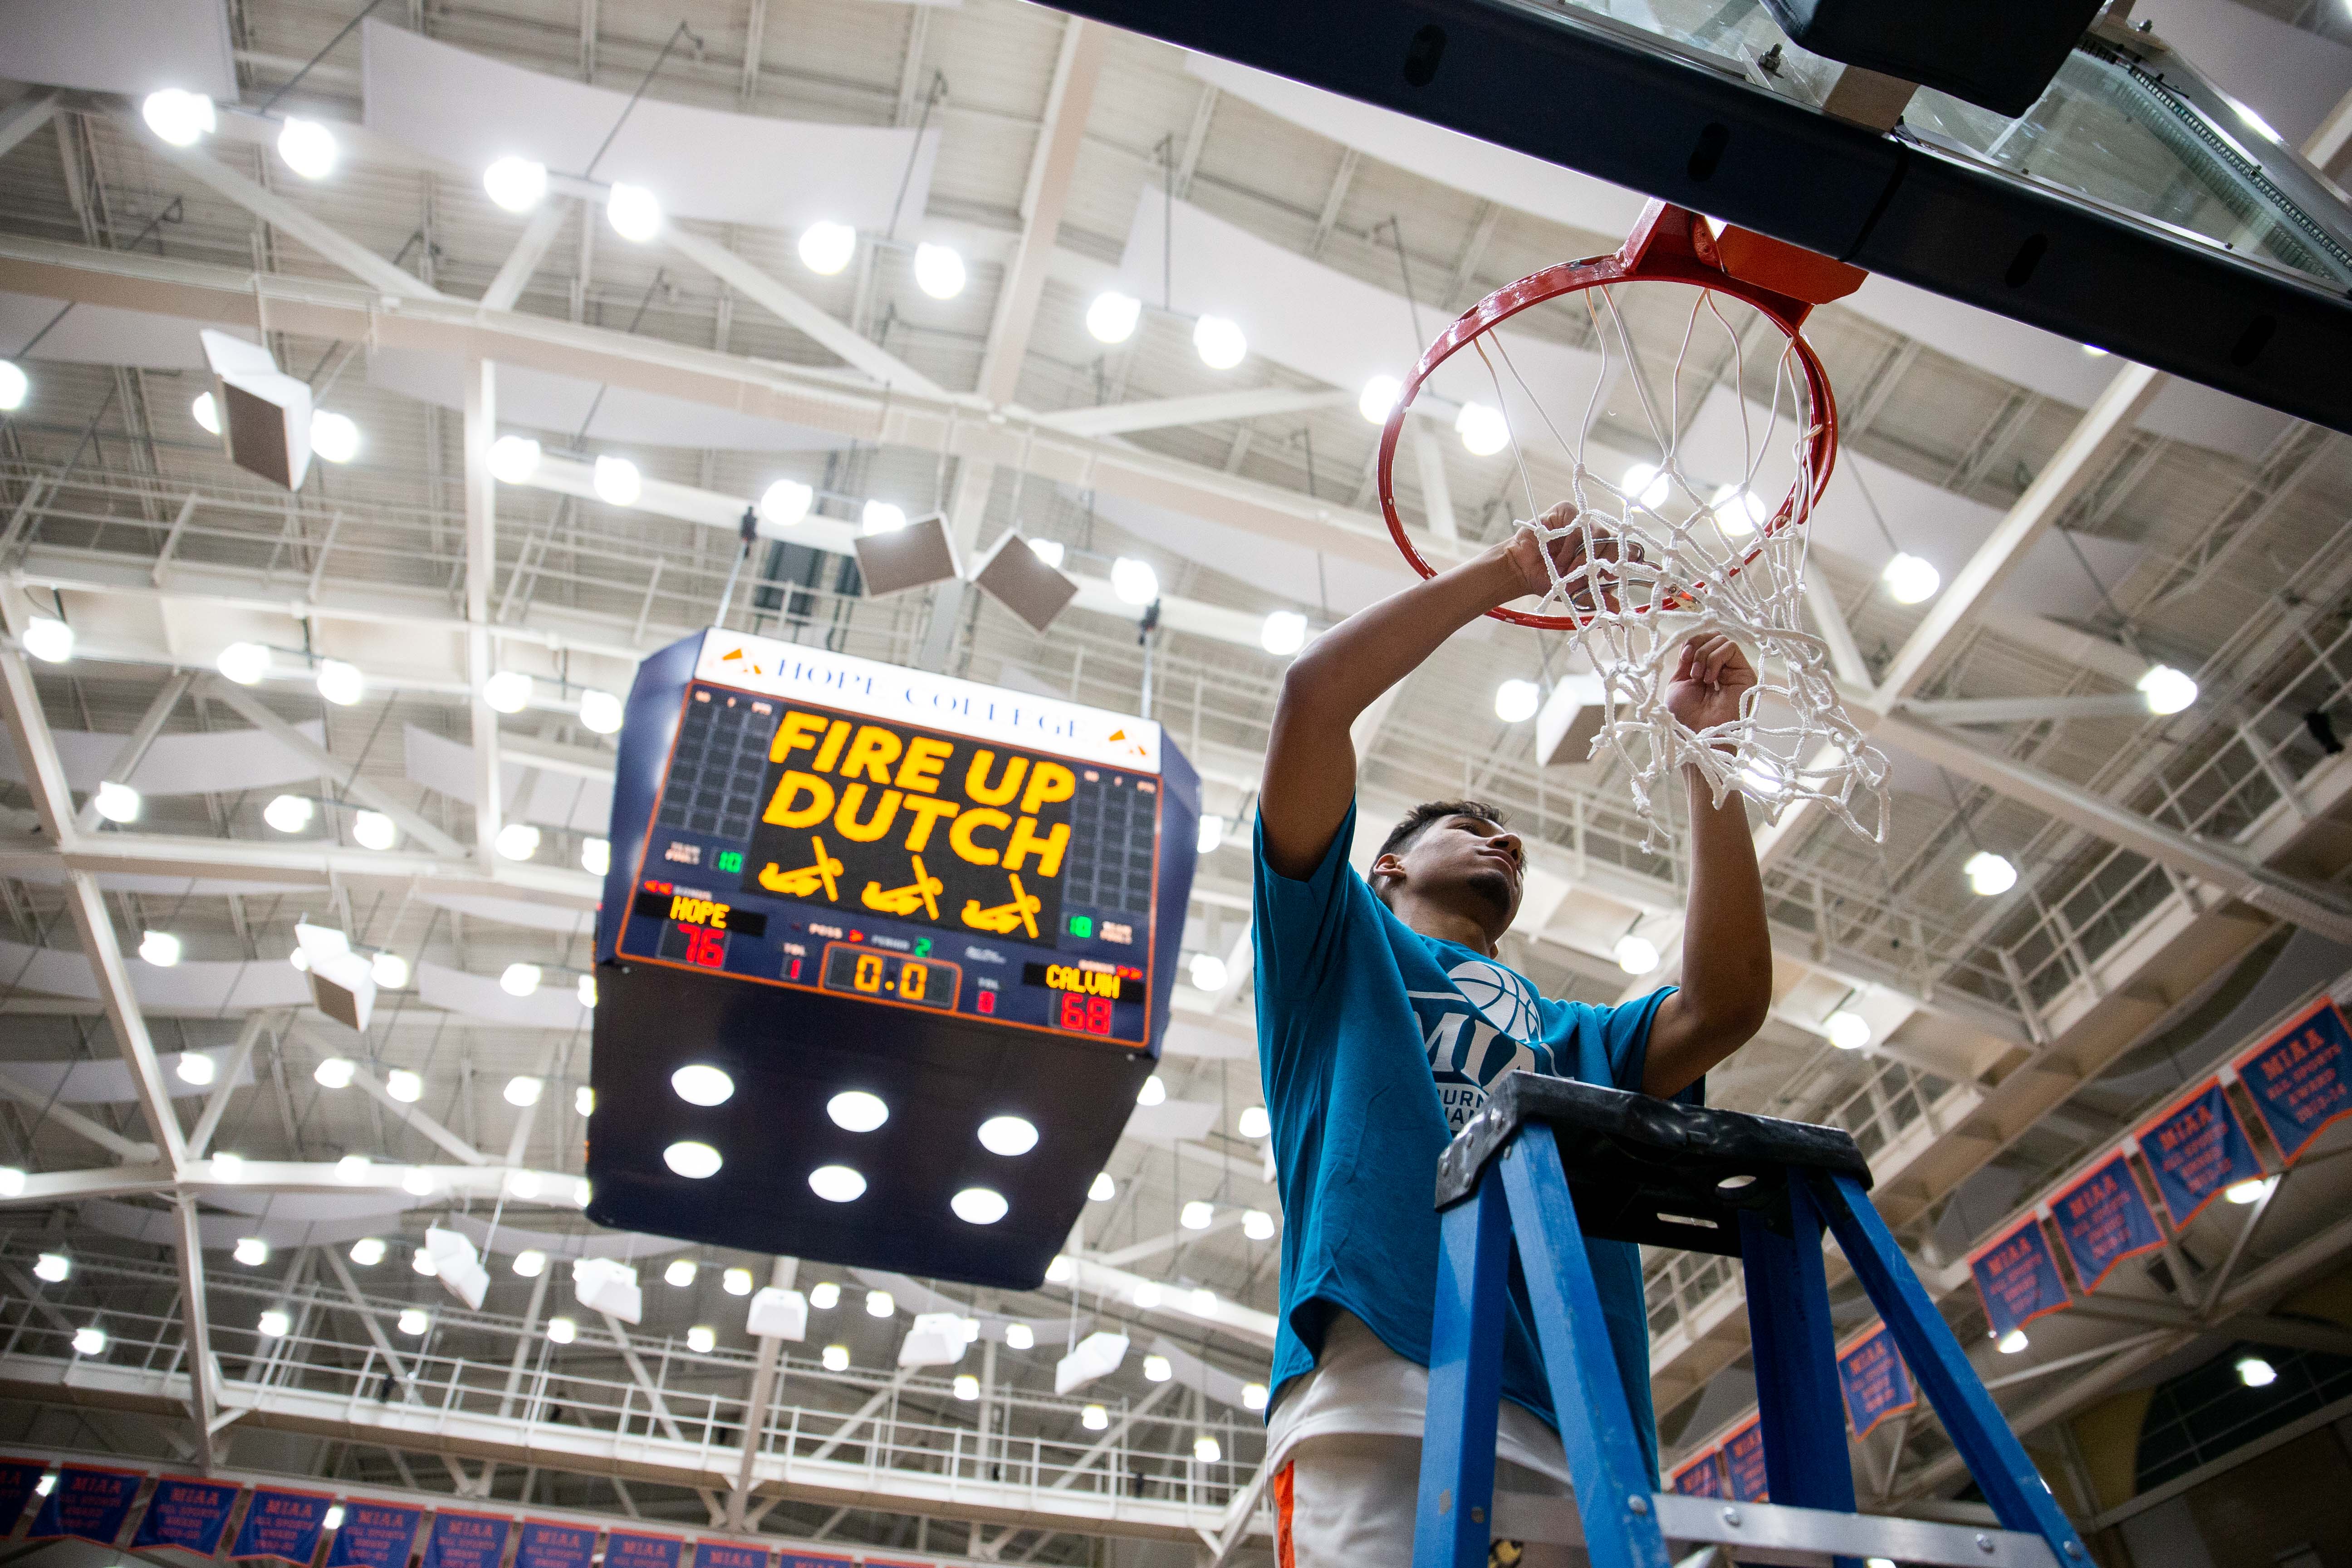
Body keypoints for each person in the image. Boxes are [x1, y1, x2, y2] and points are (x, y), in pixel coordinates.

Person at [1252, 503, 1775, 1567]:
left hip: (1577, 1414)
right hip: (1384, 1385)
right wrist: (1504, 571)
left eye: (1512, 838)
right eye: (1469, 826)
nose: (1508, 838)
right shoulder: (1334, 944)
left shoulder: (1577, 1035)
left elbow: (1725, 1006)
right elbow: (1314, 697)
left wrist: (1704, 758)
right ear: (1386, 867)